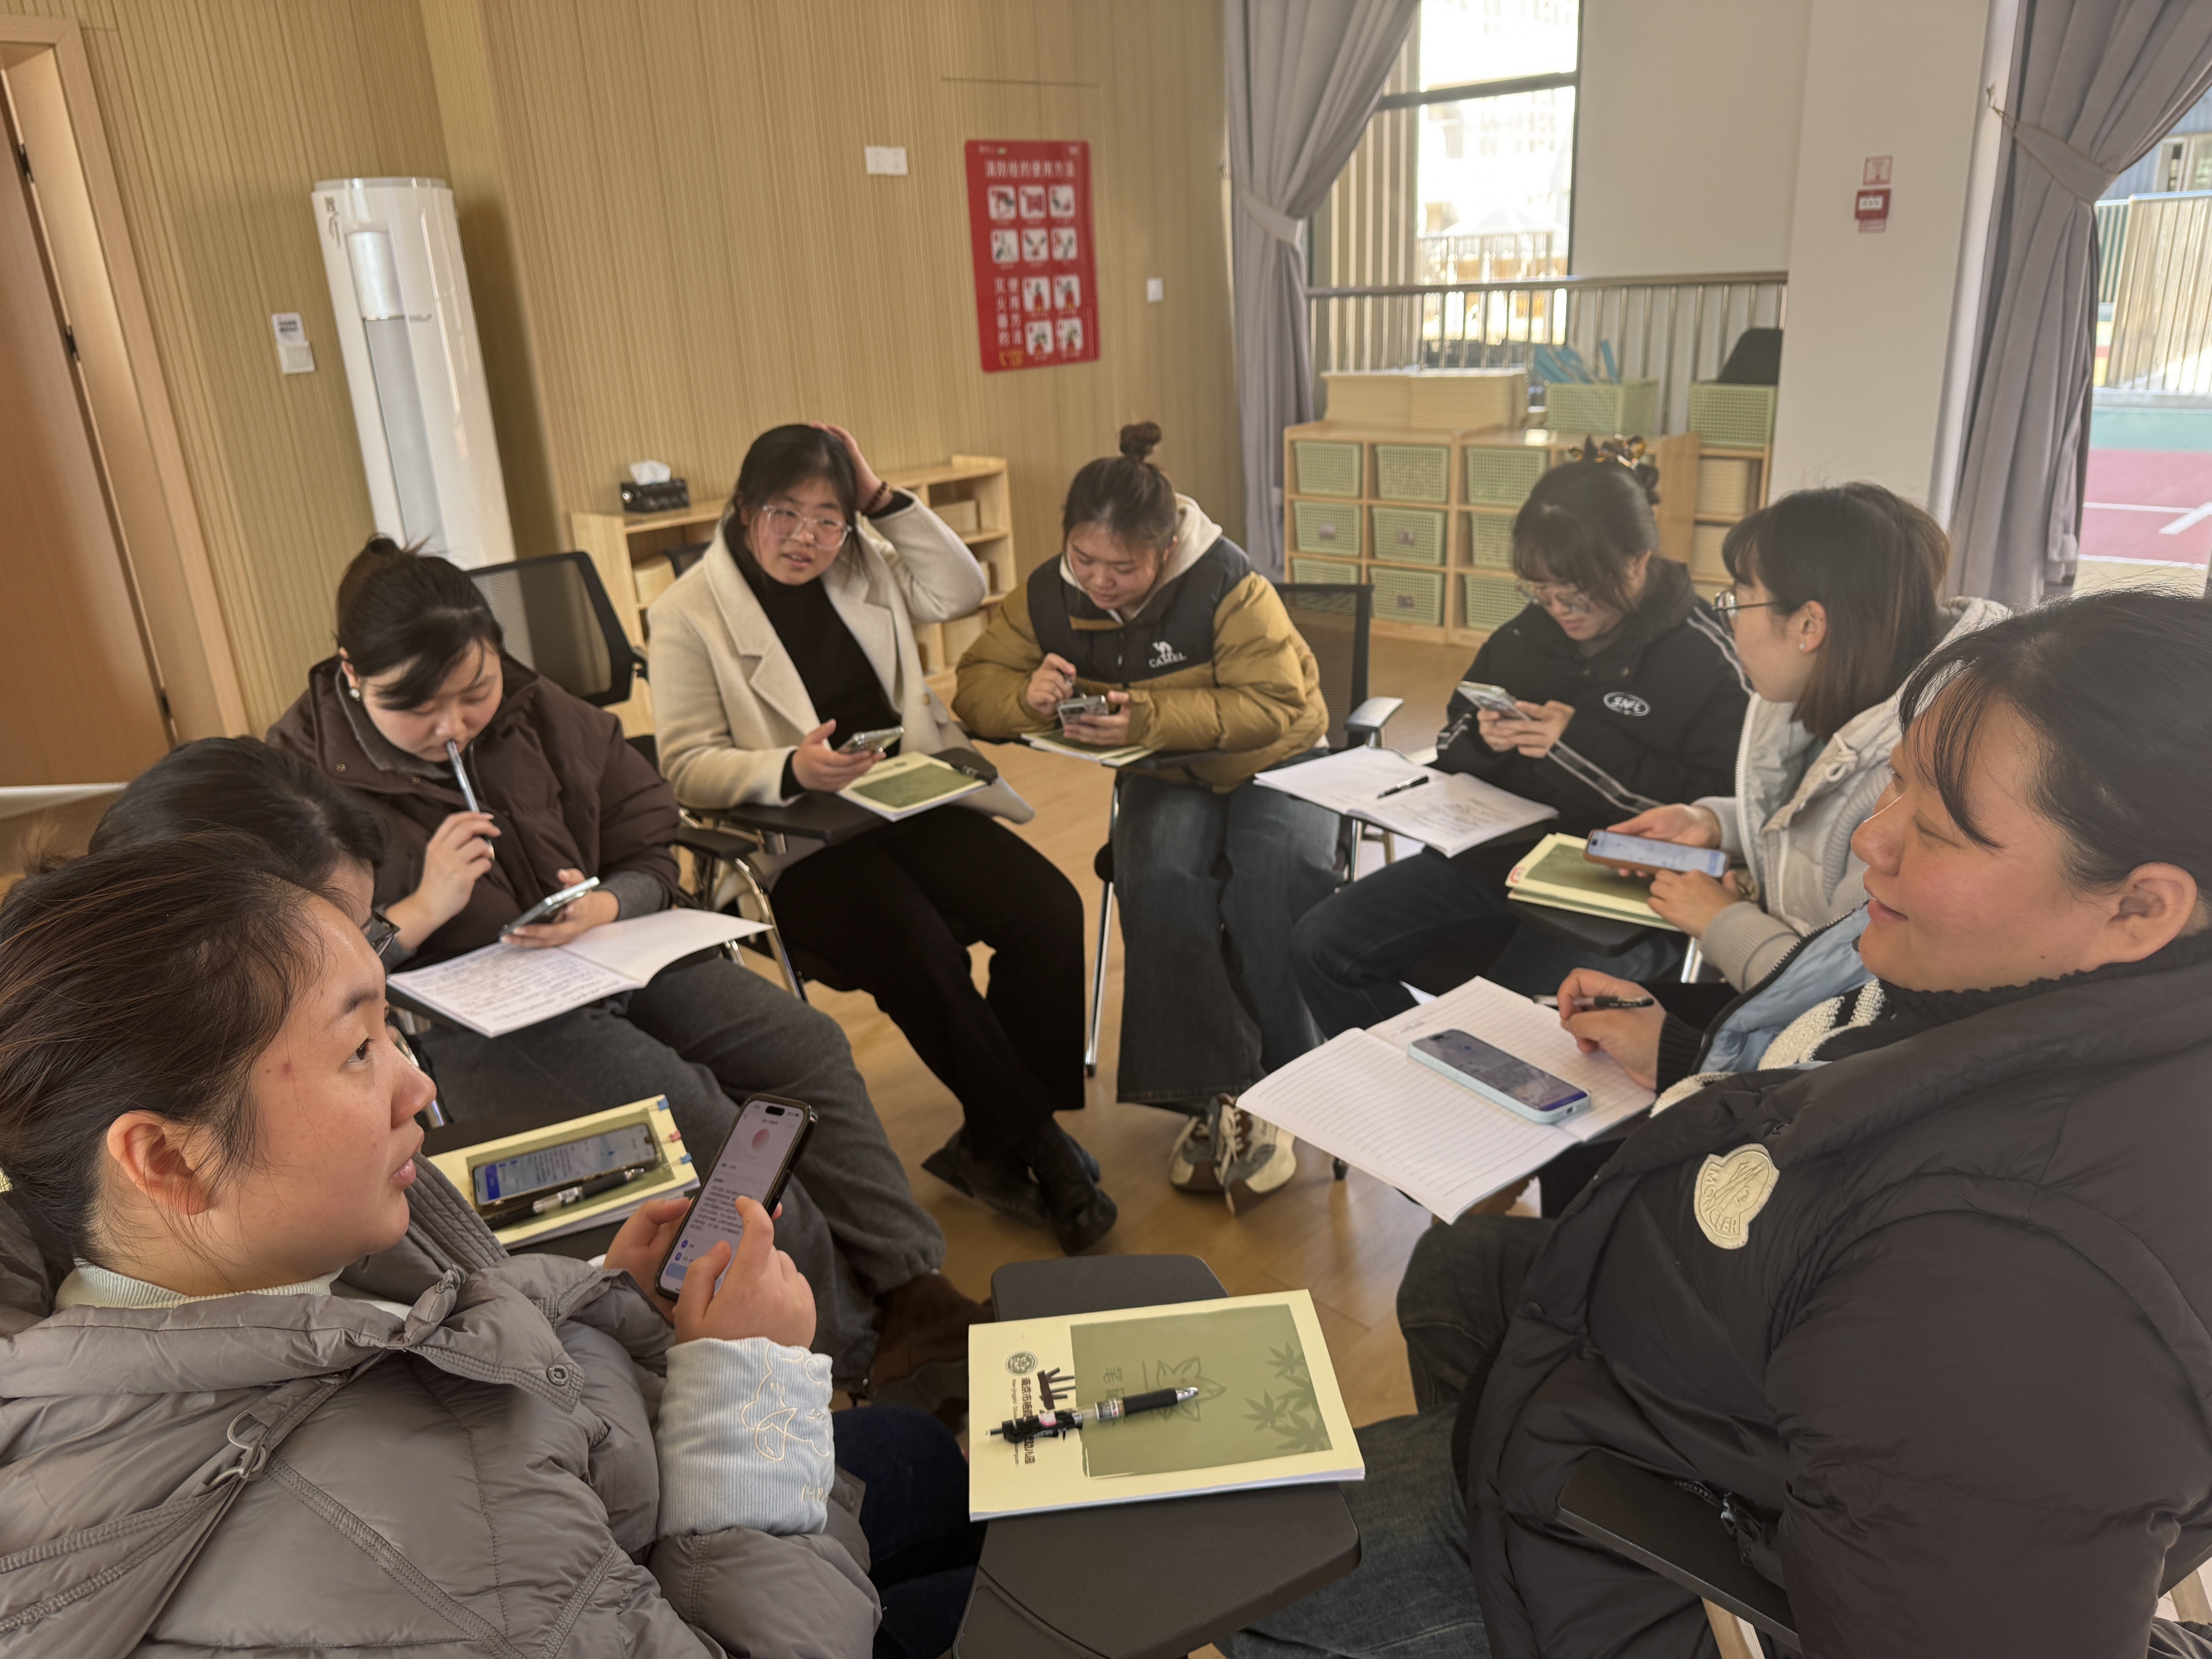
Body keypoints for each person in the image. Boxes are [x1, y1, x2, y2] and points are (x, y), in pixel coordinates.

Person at [1223, 592, 2212, 1659]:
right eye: (1895, 788)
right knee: (1464, 1277)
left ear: (2141, 906)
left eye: (1934, 830)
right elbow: (1830, 1071)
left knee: (1252, 1586)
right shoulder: (2006, 979)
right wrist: (1683, 1046)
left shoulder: (2024, 1279)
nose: (1873, 841)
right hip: (1704, 1367)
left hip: (1682, 1537)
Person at [0, 836, 985, 1659]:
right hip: (649, 1565)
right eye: (359, 1051)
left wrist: (620, 1296)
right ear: (168, 1158)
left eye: (393, 1033)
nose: (420, 1089)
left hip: (610, 1512)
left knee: (917, 1457)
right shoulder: (406, 1542)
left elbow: (453, 1350)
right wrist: (746, 1388)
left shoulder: (244, 1261)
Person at [266, 543, 986, 1397]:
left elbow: (651, 829)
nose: (454, 727)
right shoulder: (299, 777)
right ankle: (849, 1350)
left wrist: (611, 903)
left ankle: (912, 1289)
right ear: (353, 675)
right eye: (416, 709)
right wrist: (420, 910)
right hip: (471, 1019)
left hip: (608, 957)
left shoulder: (540, 709)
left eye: (475, 692)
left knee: (807, 1047)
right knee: (695, 1116)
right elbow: (308, 971)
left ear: (496, 652)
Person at [647, 423, 1110, 1255]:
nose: (807, 540)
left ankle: (991, 1140)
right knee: (919, 946)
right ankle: (1040, 1146)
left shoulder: (864, 561)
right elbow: (684, 766)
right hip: (799, 840)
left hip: (907, 800)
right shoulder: (688, 613)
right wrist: (789, 768)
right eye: (785, 514)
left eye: (829, 518)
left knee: (1047, 908)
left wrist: (882, 499)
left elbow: (960, 587)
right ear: (745, 507)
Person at [954, 421, 1336, 1213]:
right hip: (1166, 766)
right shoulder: (1048, 592)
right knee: (1156, 873)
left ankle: (1293, 1089)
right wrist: (1025, 699)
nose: (1097, 581)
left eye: (1121, 568)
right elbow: (976, 684)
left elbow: (1276, 705)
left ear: (1165, 550)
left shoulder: (1231, 584)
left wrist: (1148, 717)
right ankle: (1214, 1095)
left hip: (1280, 759)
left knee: (1272, 877)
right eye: (1082, 559)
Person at [1289, 443, 1749, 1035]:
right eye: (1540, 590)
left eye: (1576, 594)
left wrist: (1572, 748)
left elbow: (1714, 813)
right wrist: (1485, 739)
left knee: (1505, 1028)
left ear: (1637, 561)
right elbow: (1453, 738)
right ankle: (1414, 1075)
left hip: (1614, 892)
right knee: (1319, 945)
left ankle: (1451, 1081)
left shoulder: (1707, 663)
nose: (1559, 609)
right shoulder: (1527, 635)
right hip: (1496, 861)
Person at [1601, 481, 2008, 992]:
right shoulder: (1853, 696)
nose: (1728, 625)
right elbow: (1819, 825)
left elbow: (1855, 988)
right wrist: (1716, 824)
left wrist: (1720, 922)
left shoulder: (1920, 774)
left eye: (1735, 603)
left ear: (1809, 625)